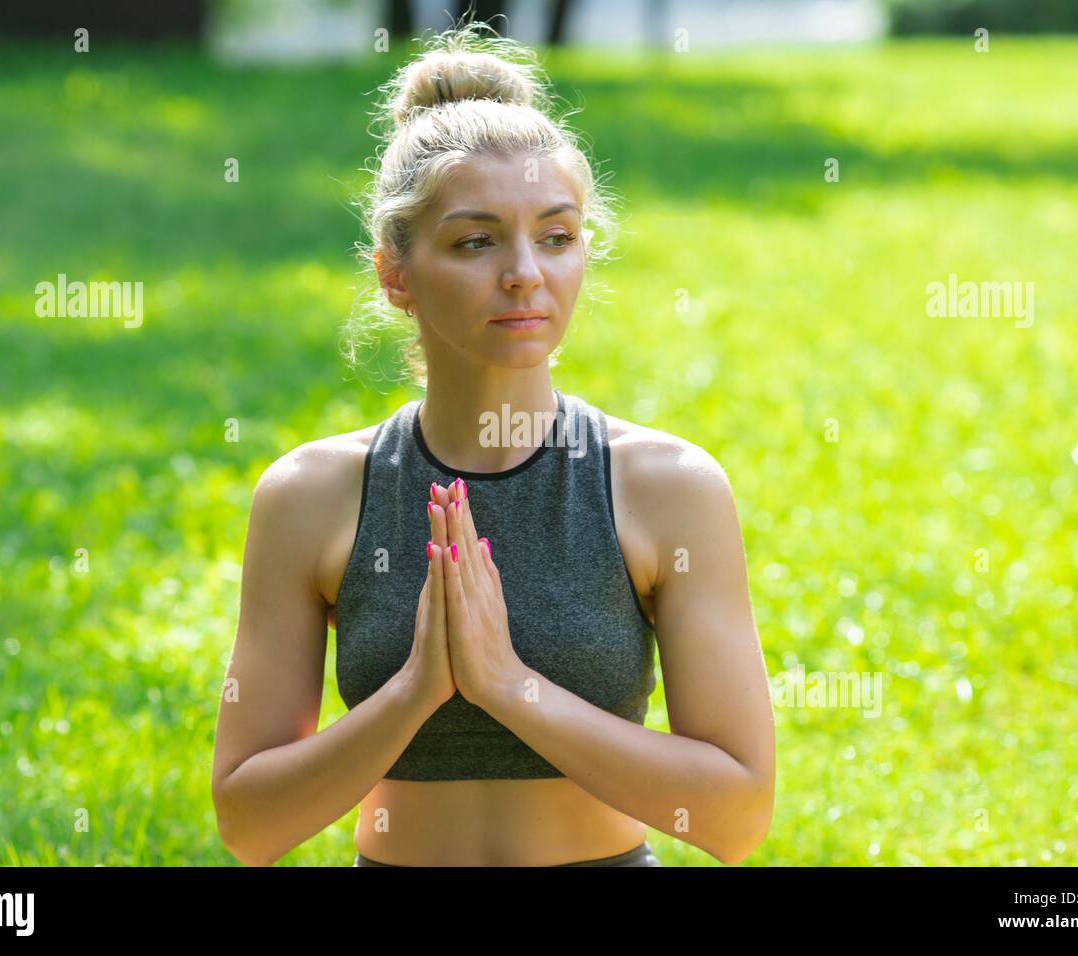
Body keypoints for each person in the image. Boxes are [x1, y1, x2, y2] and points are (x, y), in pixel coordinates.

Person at [210, 19, 775, 868]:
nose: (525, 273)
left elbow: (733, 817)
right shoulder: (311, 495)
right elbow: (250, 825)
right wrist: (413, 692)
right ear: (394, 275)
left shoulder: (665, 487)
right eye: (476, 241)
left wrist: (512, 688)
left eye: (556, 237)